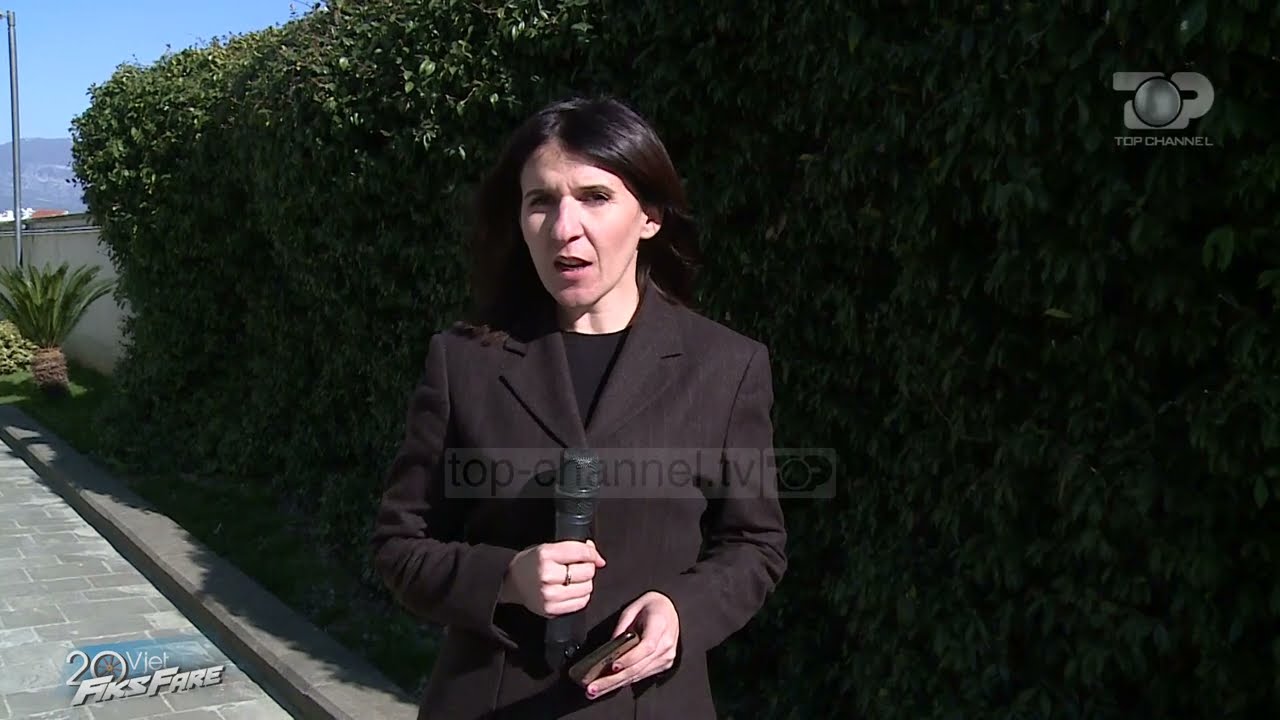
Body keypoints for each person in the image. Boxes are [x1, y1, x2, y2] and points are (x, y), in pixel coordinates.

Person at [370, 96, 787, 719]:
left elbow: (755, 544)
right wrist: (505, 578)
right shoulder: (464, 361)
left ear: (649, 216)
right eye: (540, 201)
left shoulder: (727, 367)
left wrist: (683, 610)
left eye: (595, 197)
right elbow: (399, 545)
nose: (564, 227)